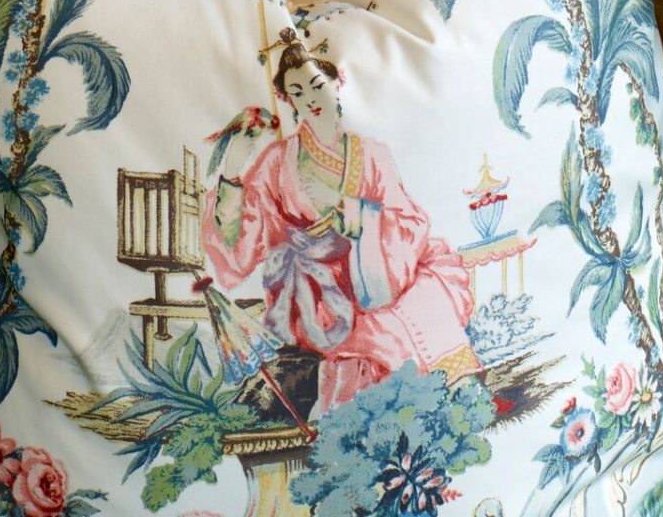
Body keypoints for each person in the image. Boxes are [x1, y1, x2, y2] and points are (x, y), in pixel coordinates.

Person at [203, 32, 476, 415]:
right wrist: (234, 169)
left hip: (377, 270)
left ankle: (458, 401)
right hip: (317, 289)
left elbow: (409, 220)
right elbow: (242, 244)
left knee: (429, 293)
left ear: (337, 83)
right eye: (298, 91)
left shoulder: (373, 154)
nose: (311, 98)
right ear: (287, 100)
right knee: (384, 330)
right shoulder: (277, 161)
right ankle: (423, 408)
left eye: (317, 85)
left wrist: (362, 218)